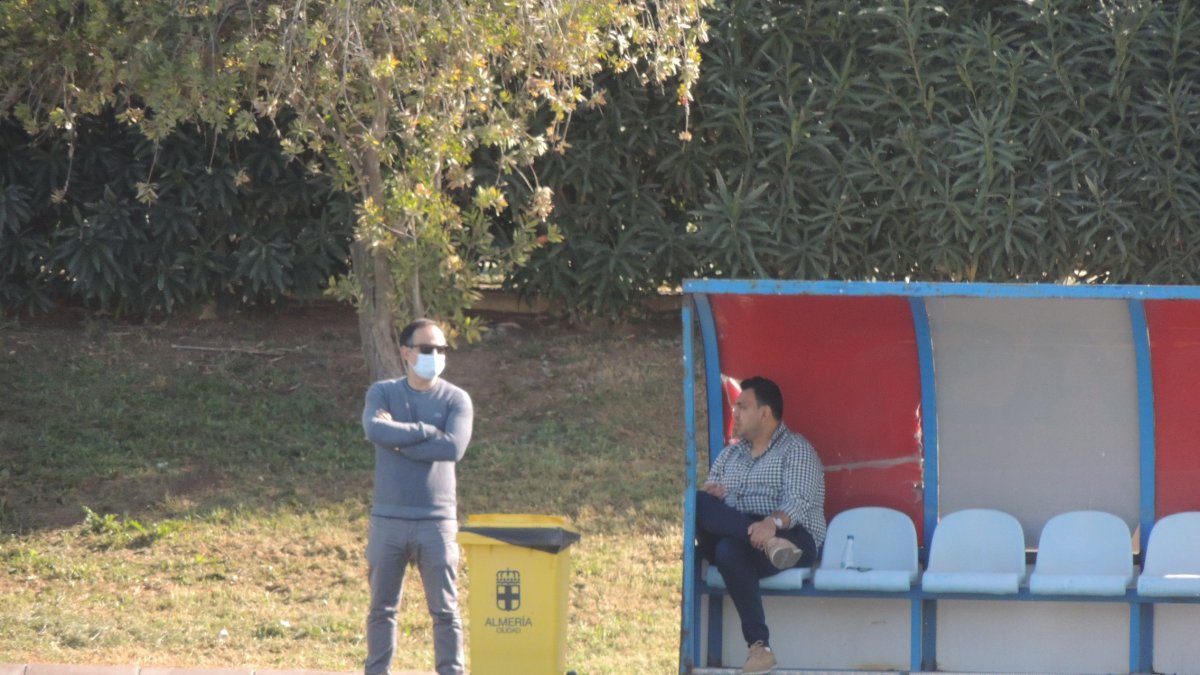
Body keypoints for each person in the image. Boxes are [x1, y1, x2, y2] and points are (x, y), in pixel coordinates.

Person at [362, 318, 473, 675]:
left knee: (445, 611)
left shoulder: (456, 399)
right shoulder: (382, 392)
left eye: (441, 349)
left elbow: (453, 448)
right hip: (388, 519)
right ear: (405, 352)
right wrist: (426, 431)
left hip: (437, 522)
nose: (436, 355)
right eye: (427, 349)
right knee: (382, 609)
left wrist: (397, 441)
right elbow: (373, 428)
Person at [696, 376, 826, 675]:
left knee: (729, 550)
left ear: (765, 412)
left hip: (790, 538)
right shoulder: (730, 454)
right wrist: (714, 495)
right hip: (748, 537)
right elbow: (711, 508)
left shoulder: (796, 449)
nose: (735, 413)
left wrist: (771, 524)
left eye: (743, 407)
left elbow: (798, 501)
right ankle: (766, 543)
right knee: (699, 500)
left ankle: (760, 648)